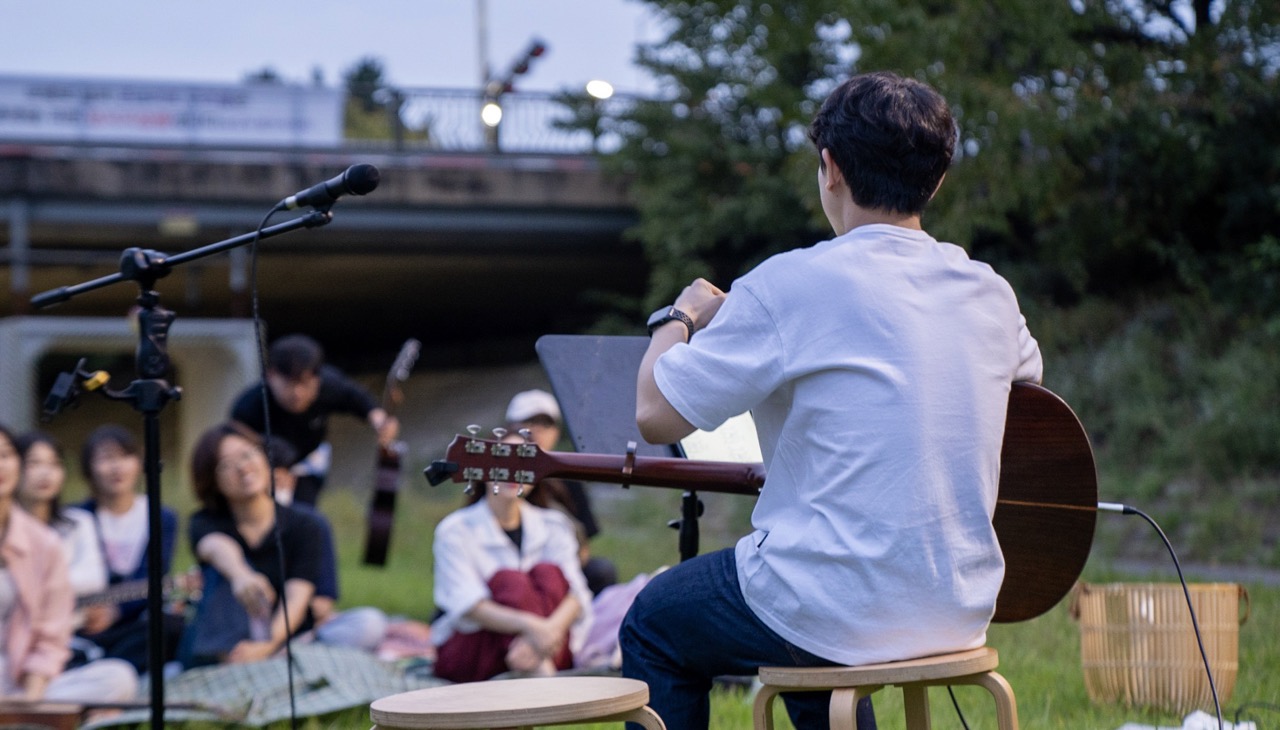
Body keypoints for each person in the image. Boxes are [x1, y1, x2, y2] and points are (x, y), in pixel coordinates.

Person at [623, 71, 1044, 730]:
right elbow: (1026, 389)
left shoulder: (787, 284)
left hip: (834, 606)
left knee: (655, 622)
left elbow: (654, 414)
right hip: (955, 601)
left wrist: (678, 316)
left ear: (831, 168)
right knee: (808, 606)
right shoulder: (989, 291)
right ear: (936, 180)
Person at [181, 422, 386, 668]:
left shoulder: (305, 524)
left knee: (370, 623)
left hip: (288, 640)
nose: (243, 467)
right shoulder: (204, 522)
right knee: (219, 573)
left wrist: (269, 645)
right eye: (226, 464)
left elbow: (297, 596)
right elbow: (216, 547)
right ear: (212, 479)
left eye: (247, 454)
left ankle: (274, 662)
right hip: (229, 643)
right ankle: (242, 664)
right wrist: (241, 577)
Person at [430, 434, 594, 683]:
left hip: (548, 646)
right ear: (483, 468)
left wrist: (547, 633)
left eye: (523, 464)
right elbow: (469, 605)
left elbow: (576, 595)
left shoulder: (554, 525)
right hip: (475, 651)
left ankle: (537, 669)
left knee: (548, 573)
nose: (512, 472)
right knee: (511, 581)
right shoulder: (454, 530)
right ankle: (543, 680)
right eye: (503, 462)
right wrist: (532, 627)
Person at [0, 423, 138, 703]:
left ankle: (24, 715)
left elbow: (49, 638)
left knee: (118, 678)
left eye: (4, 454)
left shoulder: (44, 542)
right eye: (35, 463)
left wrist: (31, 699)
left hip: (24, 678)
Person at [229, 333, 398, 506]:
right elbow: (236, 439)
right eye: (289, 384)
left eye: (305, 384)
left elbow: (357, 399)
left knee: (303, 511)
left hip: (310, 459)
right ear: (271, 376)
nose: (298, 393)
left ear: (317, 378)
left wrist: (380, 421)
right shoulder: (249, 406)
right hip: (267, 465)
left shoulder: (329, 385)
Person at [75, 424, 184, 677]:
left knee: (170, 627)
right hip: (80, 620)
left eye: (124, 456)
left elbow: (154, 575)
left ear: (139, 462)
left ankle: (99, 667)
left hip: (133, 621)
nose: (116, 467)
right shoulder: (78, 518)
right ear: (88, 468)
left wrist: (116, 611)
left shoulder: (161, 516)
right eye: (105, 458)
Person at [505, 389, 617, 595]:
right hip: (509, 564)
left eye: (546, 424)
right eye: (528, 422)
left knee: (601, 571)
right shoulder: (500, 476)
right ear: (509, 429)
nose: (537, 431)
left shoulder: (568, 477)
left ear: (557, 431)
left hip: (561, 562)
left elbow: (584, 541)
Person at [15, 431, 107, 601]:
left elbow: (94, 580)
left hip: (73, 625)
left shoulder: (79, 522)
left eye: (54, 464)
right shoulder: (6, 527)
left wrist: (34, 585)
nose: (45, 473)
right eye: (34, 464)